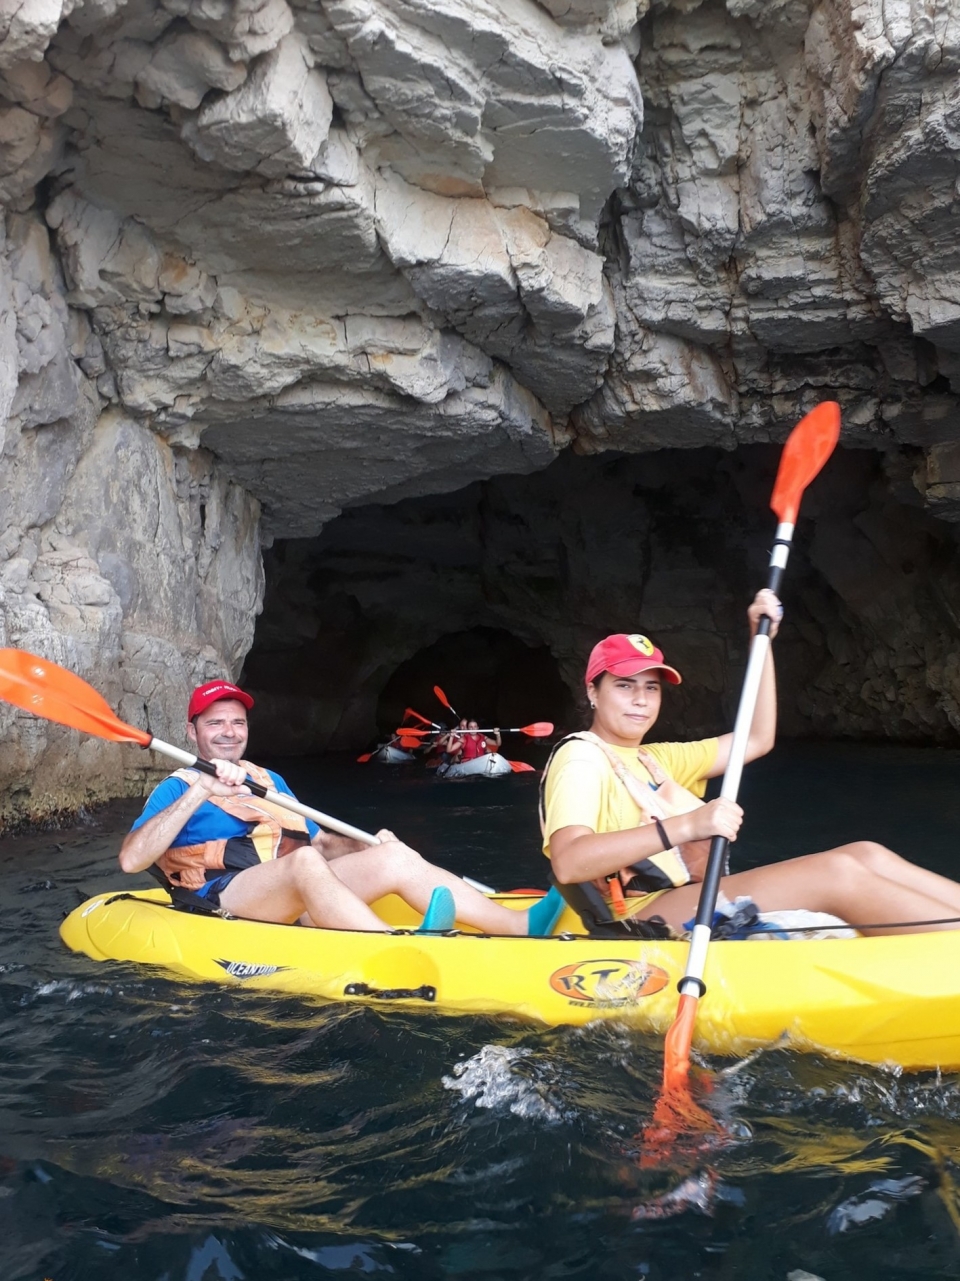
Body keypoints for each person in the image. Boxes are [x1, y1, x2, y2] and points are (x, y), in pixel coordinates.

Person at [543, 590, 960, 937]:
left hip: (676, 897)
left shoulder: (655, 758)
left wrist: (761, 641)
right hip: (631, 918)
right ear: (593, 693)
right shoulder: (581, 758)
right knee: (837, 874)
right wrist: (689, 825)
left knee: (867, 854)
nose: (640, 699)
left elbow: (757, 738)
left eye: (651, 688)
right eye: (624, 686)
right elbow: (569, 861)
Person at [120, 680, 563, 936]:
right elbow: (131, 859)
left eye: (238, 722)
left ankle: (517, 925)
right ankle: (393, 944)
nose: (229, 732)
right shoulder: (176, 787)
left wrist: (365, 847)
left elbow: (323, 842)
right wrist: (202, 789)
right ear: (192, 731)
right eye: (215, 722)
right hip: (225, 897)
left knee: (390, 854)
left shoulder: (269, 780)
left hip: (299, 892)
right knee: (305, 863)